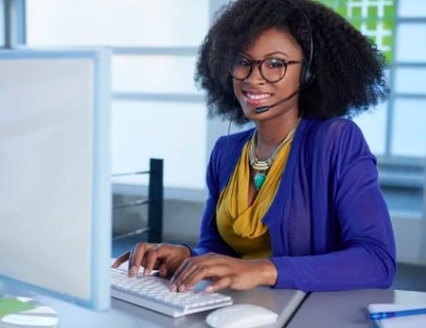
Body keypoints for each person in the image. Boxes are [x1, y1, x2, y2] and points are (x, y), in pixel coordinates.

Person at [113, 0, 396, 293]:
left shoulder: (336, 141)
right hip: (236, 314)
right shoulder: (226, 152)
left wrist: (262, 271)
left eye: (275, 64)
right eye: (243, 62)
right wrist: (188, 257)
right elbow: (217, 250)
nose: (253, 78)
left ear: (310, 72)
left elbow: (378, 261)